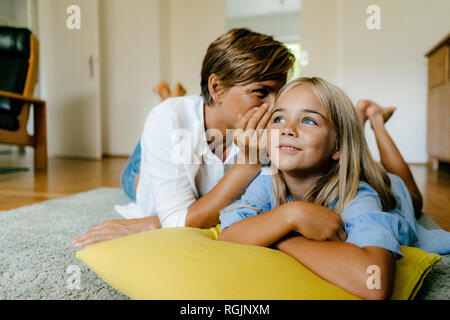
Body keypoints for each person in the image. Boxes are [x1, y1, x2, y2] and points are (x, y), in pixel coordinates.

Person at [218, 77, 450, 300]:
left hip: (394, 193)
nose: (287, 129)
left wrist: (283, 238)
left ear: (337, 145)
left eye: (308, 120)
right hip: (342, 157)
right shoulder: (269, 179)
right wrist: (291, 215)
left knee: (409, 194)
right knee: (361, 160)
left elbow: (375, 284)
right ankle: (360, 118)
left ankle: (377, 121)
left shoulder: (357, 195)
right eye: (278, 119)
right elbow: (228, 235)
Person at [72, 28, 296, 248]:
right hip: (142, 168)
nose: (275, 106)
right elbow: (180, 223)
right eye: (261, 92)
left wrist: (158, 222)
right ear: (216, 88)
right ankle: (168, 100)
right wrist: (251, 160)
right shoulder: (168, 121)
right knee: (136, 179)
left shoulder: (274, 131)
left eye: (280, 92)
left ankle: (170, 97)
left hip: (182, 135)